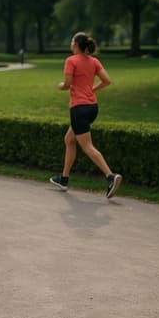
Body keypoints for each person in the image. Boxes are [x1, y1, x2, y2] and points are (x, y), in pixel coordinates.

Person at [50, 32, 122, 198]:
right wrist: (91, 90)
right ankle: (64, 179)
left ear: (75, 44)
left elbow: (67, 84)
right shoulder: (94, 61)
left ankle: (110, 176)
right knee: (69, 140)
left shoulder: (71, 60)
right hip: (92, 108)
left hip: (78, 108)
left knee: (87, 146)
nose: (70, 44)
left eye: (71, 41)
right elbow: (107, 81)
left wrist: (61, 86)